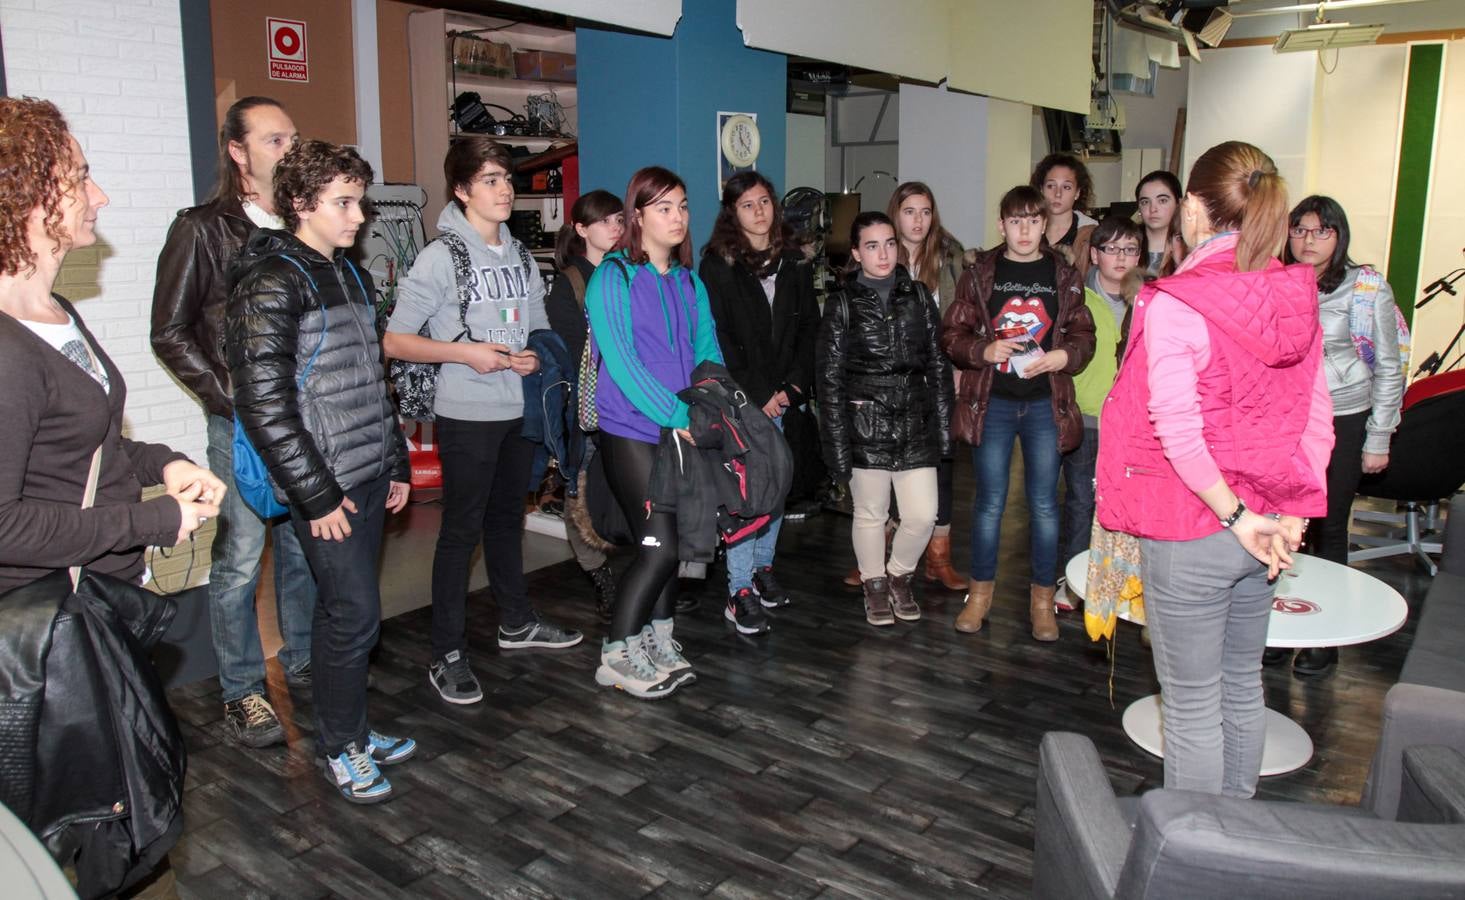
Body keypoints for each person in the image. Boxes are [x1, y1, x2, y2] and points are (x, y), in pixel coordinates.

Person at [1096, 141, 1333, 797]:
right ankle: (1233, 836)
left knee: (1193, 705)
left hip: (1195, 524)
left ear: (1193, 208)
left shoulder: (1177, 300)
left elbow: (1174, 427)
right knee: (1239, 685)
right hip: (1265, 529)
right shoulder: (1294, 292)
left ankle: (1196, 858)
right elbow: (1316, 418)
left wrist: (1233, 515)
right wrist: (1284, 517)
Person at [228, 139, 417, 804]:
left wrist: (395, 462)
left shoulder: (352, 274)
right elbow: (263, 404)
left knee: (352, 616)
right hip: (325, 486)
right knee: (353, 616)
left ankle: (355, 733)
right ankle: (341, 748)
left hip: (366, 471)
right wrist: (314, 496)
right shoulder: (273, 280)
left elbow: (374, 379)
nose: (360, 214)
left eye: (359, 199)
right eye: (343, 201)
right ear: (301, 204)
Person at [383, 137, 582, 707]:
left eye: (506, 178)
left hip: (515, 408)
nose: (504, 189)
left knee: (505, 523)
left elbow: (539, 328)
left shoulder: (520, 254)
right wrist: (465, 352)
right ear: (463, 189)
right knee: (460, 532)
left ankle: (516, 622)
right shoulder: (440, 257)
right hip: (466, 413)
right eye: (490, 179)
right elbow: (396, 340)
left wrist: (534, 355)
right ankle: (446, 652)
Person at [150, 95, 315, 748]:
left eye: (293, 138)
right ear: (238, 151)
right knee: (241, 560)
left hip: (303, 421)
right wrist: (230, 398)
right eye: (276, 141)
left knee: (305, 549)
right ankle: (243, 690)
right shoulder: (202, 227)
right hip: (240, 424)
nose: (290, 151)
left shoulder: (302, 224)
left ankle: (301, 660)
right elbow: (169, 330)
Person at [586, 166, 721, 696]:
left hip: (680, 430)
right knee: (658, 548)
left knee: (678, 542)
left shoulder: (689, 281)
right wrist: (679, 416)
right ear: (636, 216)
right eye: (664, 207)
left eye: (683, 206)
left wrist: (708, 408)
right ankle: (617, 653)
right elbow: (622, 363)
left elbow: (709, 353)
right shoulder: (613, 276)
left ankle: (658, 640)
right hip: (632, 431)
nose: (678, 217)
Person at [941, 185, 1095, 640]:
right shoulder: (980, 272)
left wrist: (1065, 357)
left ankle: (1042, 601)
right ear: (1001, 224)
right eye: (1015, 221)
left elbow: (1083, 334)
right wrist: (982, 349)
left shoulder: (1064, 272)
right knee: (989, 505)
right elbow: (951, 332)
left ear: (1045, 224)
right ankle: (980, 597)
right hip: (995, 402)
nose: (1024, 230)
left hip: (1046, 404)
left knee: (1045, 506)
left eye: (1032, 220)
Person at [1272, 195, 1404, 674]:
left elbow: (1390, 367)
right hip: (1285, 421)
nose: (1309, 241)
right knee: (1282, 527)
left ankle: (1322, 638)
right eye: (1300, 230)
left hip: (1343, 418)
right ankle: (1280, 625)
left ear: (1338, 235)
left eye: (1321, 231)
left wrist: (1378, 437)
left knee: (1327, 528)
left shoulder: (1365, 288)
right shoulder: (1275, 279)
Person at [816, 211, 952, 627]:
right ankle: (875, 585)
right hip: (865, 423)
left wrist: (945, 431)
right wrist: (837, 448)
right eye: (872, 245)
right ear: (856, 253)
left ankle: (898, 575)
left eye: (889, 243)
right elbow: (828, 381)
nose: (883, 253)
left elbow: (938, 366)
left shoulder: (919, 296)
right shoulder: (841, 304)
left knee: (922, 514)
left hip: (915, 421)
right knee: (870, 513)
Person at [700, 171, 819, 632]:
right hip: (741, 399)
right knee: (747, 495)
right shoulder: (718, 264)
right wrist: (759, 393)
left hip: (785, 397)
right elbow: (719, 336)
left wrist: (791, 388)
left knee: (778, 489)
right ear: (732, 213)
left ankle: (763, 568)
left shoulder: (795, 259)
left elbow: (811, 326)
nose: (759, 211)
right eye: (747, 204)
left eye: (764, 201)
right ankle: (738, 588)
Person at [545, 189, 625, 624]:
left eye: (618, 219)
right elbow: (573, 358)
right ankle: (600, 578)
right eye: (604, 221)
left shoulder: (627, 273)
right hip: (585, 409)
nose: (614, 228)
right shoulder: (569, 283)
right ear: (581, 229)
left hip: (626, 407)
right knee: (579, 497)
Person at [1055, 216, 1142, 611]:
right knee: (1079, 502)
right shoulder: (1076, 298)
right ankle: (1071, 581)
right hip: (1086, 417)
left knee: (1125, 506)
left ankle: (1122, 582)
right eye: (1112, 249)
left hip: (1133, 422)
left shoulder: (1148, 298)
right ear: (1094, 254)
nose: (1121, 257)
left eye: (1130, 249)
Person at [887, 181, 969, 592]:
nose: (918, 220)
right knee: (886, 465)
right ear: (896, 214)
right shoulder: (880, 253)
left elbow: (964, 317)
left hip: (939, 376)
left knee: (941, 465)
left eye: (925, 211)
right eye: (909, 211)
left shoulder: (951, 257)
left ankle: (939, 557)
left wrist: (958, 367)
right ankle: (880, 556)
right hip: (892, 379)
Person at [1032, 153, 1098, 271]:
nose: (1058, 194)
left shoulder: (1091, 234)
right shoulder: (1027, 228)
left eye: (1066, 187)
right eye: (1051, 186)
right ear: (1041, 189)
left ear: (1077, 192)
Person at [1136, 169, 1186, 277]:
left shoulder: (1189, 248)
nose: (1153, 209)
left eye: (1162, 200)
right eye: (1145, 202)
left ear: (1179, 203)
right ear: (1139, 208)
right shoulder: (1125, 247)